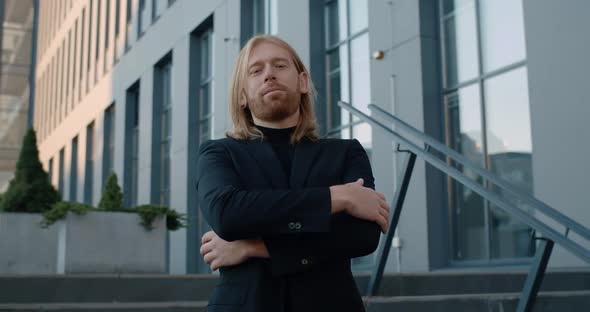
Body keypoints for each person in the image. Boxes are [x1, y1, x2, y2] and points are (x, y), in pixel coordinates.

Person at [196, 34, 390, 312]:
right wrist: (336, 198)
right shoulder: (218, 153)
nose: (269, 75)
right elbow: (228, 215)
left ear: (302, 82)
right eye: (256, 70)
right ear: (241, 95)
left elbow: (361, 236)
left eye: (279, 66)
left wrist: (254, 246)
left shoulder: (346, 152)